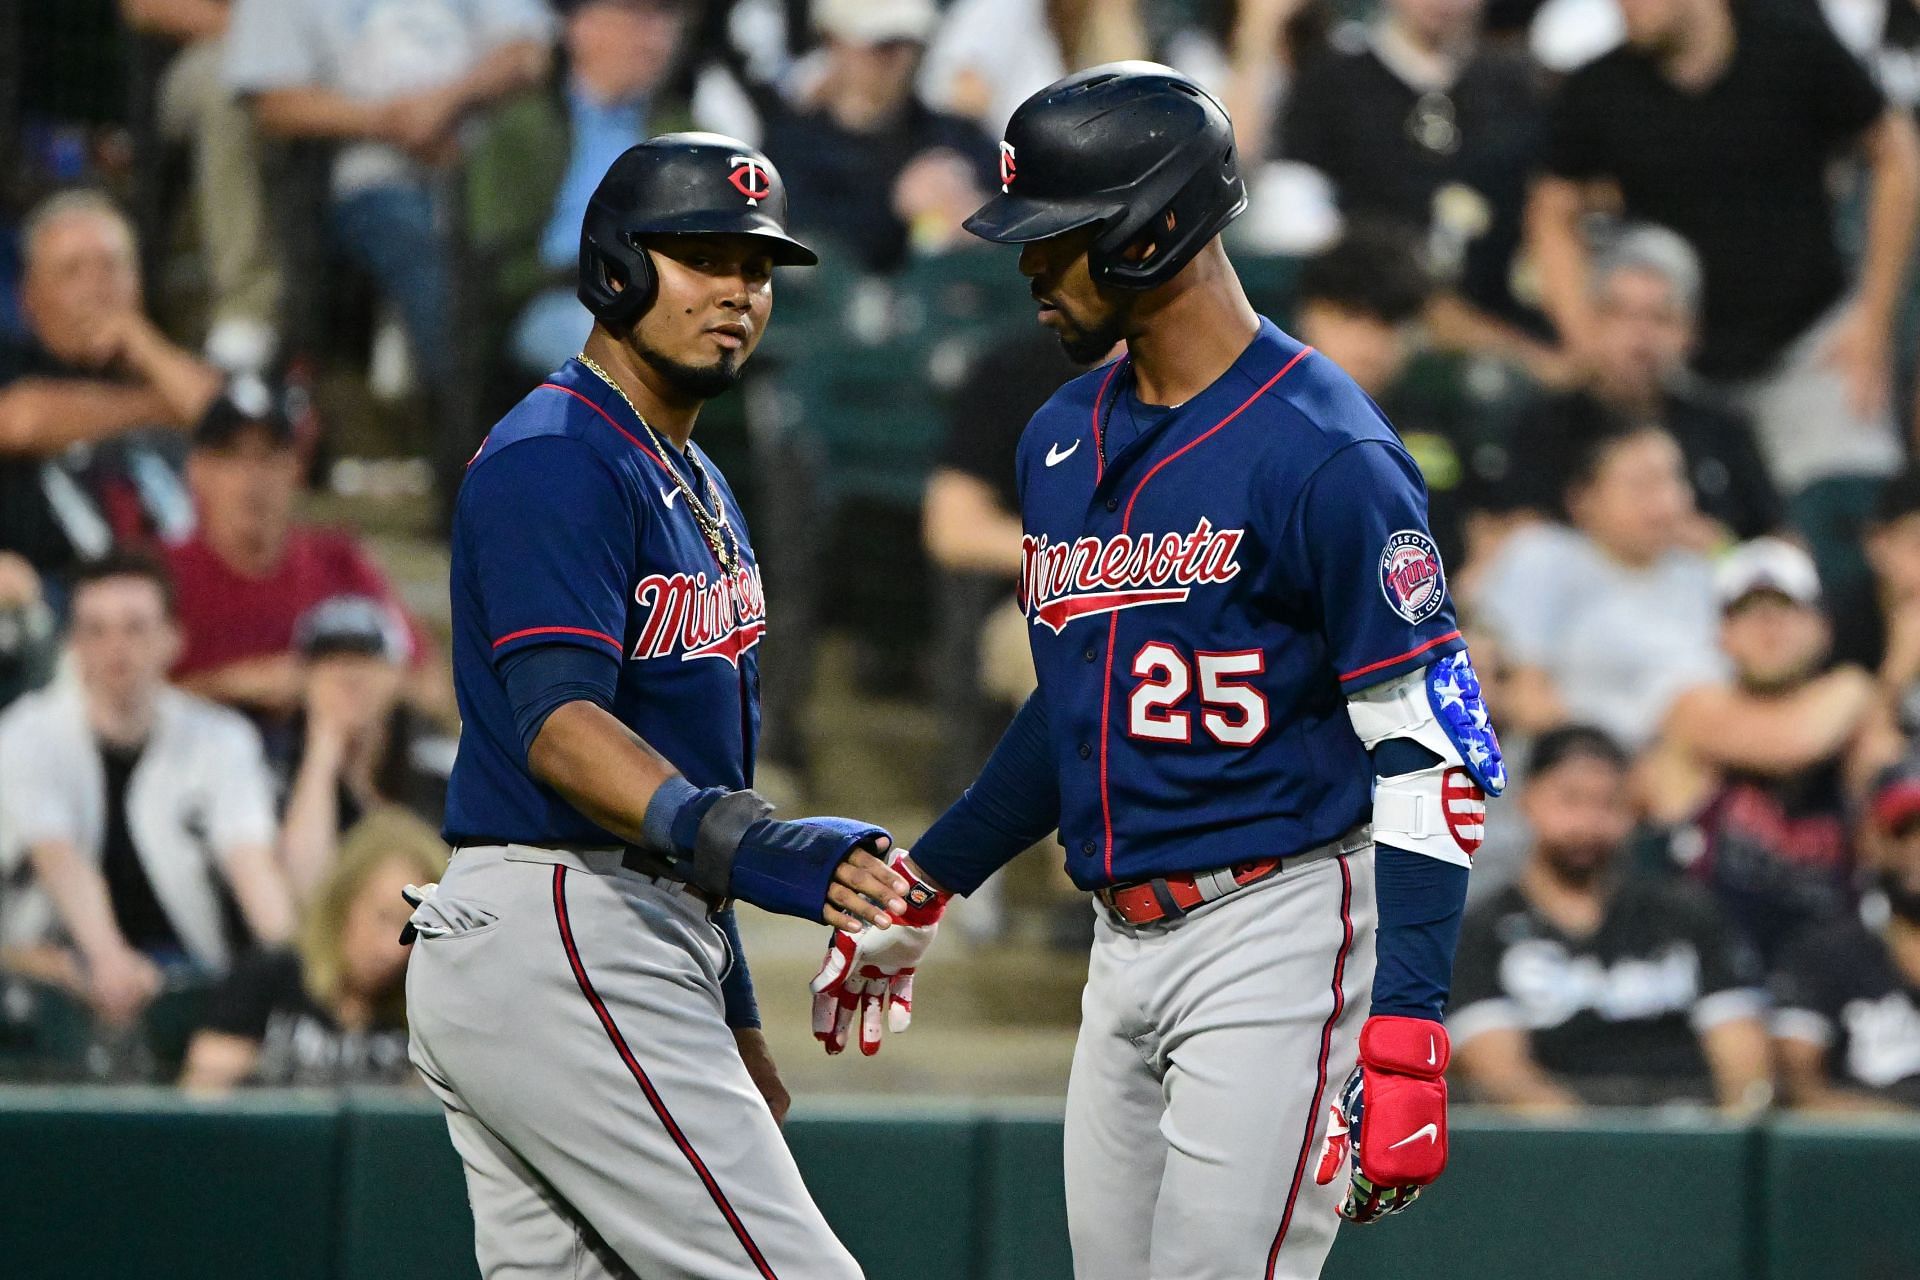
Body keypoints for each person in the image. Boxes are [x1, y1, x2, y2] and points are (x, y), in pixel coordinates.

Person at [812, 66, 1507, 1277]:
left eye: (1056, 241)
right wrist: (935, 875)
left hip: (1278, 923)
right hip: (1118, 942)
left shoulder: (1328, 448)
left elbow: (1432, 746)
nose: (1028, 269)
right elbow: (1072, 711)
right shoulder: (1058, 434)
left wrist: (1406, 1026)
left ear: (1153, 231)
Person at [404, 134, 911, 1279]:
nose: (738, 292)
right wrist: (759, 846)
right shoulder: (560, 454)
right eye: (703, 257)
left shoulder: (693, 472)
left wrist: (730, 1003)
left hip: (619, 927)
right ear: (618, 268)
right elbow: (560, 727)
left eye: (759, 269)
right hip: (564, 915)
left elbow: (689, 773)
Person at [1527, 0, 1920, 534]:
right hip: (1680, 374)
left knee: (1853, 520)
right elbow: (1552, 209)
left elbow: (1893, 149)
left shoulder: (1792, 48)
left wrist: (1874, 320)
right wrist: (1585, 335)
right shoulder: (1601, 87)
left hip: (1810, 348)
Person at [0, 554, 295, 1029]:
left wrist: (292, 965)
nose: (116, 648)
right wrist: (109, 960)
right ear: (72, 643)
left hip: (188, 974)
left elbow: (251, 863)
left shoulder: (221, 739)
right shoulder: (26, 734)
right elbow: (59, 858)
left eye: (135, 628)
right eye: (96, 630)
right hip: (50, 981)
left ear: (171, 638)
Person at [223, 0, 555, 383]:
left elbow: (531, 50)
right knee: (426, 256)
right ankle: (466, 415)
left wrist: (445, 105)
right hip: (364, 174)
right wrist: (388, 122)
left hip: (489, 163)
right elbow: (271, 102)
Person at [1448, 725, 1770, 1110]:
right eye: (1570, 800)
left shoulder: (1687, 916)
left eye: (1607, 804)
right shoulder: (1482, 932)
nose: (1588, 823)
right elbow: (1504, 1079)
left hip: (1690, 1137)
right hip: (1559, 1151)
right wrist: (1603, 1154)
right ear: (1527, 800)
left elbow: (1745, 1067)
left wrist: (1723, 1143)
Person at [1642, 538, 1888, 967]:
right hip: (1715, 967)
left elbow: (1892, 810)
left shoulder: (1858, 718)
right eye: (1748, 611)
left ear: (1824, 628)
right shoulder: (1692, 709)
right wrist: (1861, 688)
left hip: (1832, 968)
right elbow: (1791, 743)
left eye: (1787, 608)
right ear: (1721, 634)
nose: (1769, 625)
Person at [1279, 0, 1549, 374]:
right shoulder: (1332, 82)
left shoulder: (1517, 86)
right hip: (1371, 318)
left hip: (1496, 314)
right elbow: (1297, 216)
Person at [163, 381, 435, 721]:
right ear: (197, 471)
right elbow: (114, 705)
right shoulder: (162, 575)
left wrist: (339, 683)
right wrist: (239, 685)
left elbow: (430, 687)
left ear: (296, 468)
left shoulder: (340, 561)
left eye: (269, 457)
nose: (251, 478)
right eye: (231, 456)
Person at [466, 0, 701, 379]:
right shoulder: (522, 127)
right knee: (625, 356)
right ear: (581, 28)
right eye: (638, 18)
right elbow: (493, 254)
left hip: (665, 301)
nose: (657, 37)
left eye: (667, 20)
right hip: (555, 299)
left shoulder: (684, 129)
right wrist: (590, 275)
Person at [0, 191, 220, 581]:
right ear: (28, 297)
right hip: (48, 585)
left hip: (177, 589)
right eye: (72, 271)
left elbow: (227, 418)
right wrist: (162, 408)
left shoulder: (169, 362)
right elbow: (21, 422)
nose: (97, 286)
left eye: (111, 267)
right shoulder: (11, 360)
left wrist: (143, 343)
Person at [1519, 226, 1781, 545]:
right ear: (1592, 321)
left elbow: (1780, 543)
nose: (1640, 335)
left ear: (1690, 331)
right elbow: (1514, 538)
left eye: (1660, 317)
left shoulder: (1723, 429)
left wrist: (1719, 548)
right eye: (1621, 314)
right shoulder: (1544, 427)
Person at [1469, 422, 1724, 746]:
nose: (1664, 502)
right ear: (1582, 500)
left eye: (1672, 480)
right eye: (1640, 486)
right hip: (1571, 760)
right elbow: (1522, 698)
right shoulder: (1543, 557)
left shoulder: (1702, 575)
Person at [181, 805, 445, 1090]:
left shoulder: (422, 1012)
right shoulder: (267, 979)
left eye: (413, 930)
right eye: (383, 918)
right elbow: (203, 1101)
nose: (394, 950)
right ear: (343, 902)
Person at [759, 0, 997, 272]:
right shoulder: (790, 148)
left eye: (909, 42)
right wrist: (896, 206)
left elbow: (1020, 201)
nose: (899, 59)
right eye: (882, 46)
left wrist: (979, 211)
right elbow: (801, 248)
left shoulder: (956, 136)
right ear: (833, 42)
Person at [118, 0, 281, 371]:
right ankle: (246, 310)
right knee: (228, 80)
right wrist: (277, 43)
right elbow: (146, 7)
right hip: (213, 54)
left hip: (333, 74)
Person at [279, 595, 452, 902]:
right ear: (303, 678)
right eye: (330, 660)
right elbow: (304, 890)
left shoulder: (439, 769)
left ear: (398, 675)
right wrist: (323, 750)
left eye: (366, 659)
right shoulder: (275, 774)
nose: (349, 676)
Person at [1771, 761, 1920, 1112]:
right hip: (1870, 1157)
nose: (1919, 847)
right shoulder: (1824, 953)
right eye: (1902, 831)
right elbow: (1799, 1090)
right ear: (1870, 843)